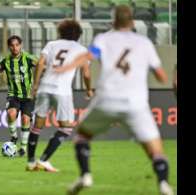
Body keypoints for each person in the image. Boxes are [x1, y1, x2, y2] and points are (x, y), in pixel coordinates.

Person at [53, 5, 174, 195]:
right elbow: (161, 76)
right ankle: (164, 185)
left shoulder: (103, 39)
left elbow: (88, 55)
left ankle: (85, 175)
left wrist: (66, 67)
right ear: (133, 22)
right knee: (156, 151)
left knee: (82, 136)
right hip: (136, 104)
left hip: (107, 100)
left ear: (113, 21)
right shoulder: (144, 43)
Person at [25, 19, 93, 172]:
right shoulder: (81, 50)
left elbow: (40, 63)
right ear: (78, 34)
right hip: (62, 91)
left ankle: (30, 162)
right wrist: (89, 89)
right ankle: (43, 160)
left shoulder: (51, 44)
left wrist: (35, 85)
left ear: (61, 31)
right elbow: (86, 74)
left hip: (44, 87)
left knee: (37, 125)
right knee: (66, 127)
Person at [0, 35, 37, 156]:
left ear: (20, 45)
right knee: (11, 113)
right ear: (9, 47)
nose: (15, 48)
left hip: (28, 96)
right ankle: (14, 137)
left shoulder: (29, 59)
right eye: (12, 46)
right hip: (13, 94)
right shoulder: (6, 61)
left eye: (17, 45)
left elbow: (41, 66)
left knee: (25, 119)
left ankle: (23, 148)